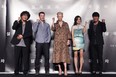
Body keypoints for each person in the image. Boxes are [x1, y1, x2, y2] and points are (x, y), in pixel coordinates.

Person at [11, 11, 33, 75]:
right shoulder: (17, 22)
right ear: (21, 16)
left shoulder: (29, 23)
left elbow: (29, 33)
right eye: (23, 15)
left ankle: (25, 71)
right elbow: (13, 27)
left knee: (25, 58)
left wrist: (22, 36)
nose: (25, 16)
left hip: (25, 43)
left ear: (28, 17)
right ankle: (16, 71)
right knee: (17, 58)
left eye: (26, 16)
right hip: (17, 43)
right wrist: (17, 21)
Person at [51, 12, 71, 76]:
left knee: (64, 56)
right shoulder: (55, 24)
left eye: (61, 16)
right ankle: (60, 69)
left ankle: (65, 69)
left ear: (62, 16)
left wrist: (68, 40)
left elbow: (68, 32)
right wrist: (53, 21)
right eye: (58, 16)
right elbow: (52, 28)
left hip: (64, 42)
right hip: (57, 42)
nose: (59, 17)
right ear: (57, 16)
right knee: (58, 56)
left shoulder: (66, 24)